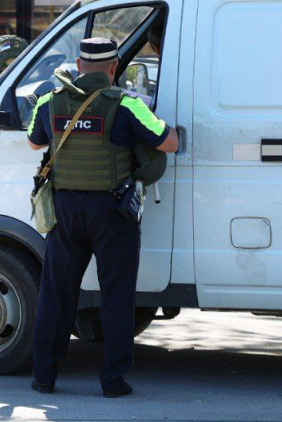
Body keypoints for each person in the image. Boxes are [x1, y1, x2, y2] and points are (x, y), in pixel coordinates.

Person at [26, 36, 179, 397]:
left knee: (57, 293)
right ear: (113, 70)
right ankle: (112, 381)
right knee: (117, 295)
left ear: (79, 67)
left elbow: (34, 142)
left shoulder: (50, 101)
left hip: (64, 212)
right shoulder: (126, 104)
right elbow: (167, 142)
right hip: (112, 212)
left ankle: (44, 377)